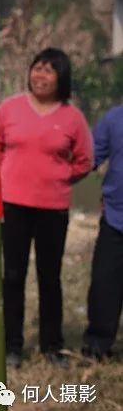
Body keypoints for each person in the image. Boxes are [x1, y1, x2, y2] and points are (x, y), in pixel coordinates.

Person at [0, 48, 93, 368]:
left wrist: (59, 177)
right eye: (37, 68)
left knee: (49, 276)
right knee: (12, 276)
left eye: (49, 70)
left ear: (61, 78)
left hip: (53, 208)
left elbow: (84, 161)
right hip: (13, 205)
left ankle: (52, 346)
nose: (40, 75)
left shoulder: (73, 118)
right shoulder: (9, 109)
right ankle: (12, 346)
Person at [83, 103, 123, 360]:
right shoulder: (114, 118)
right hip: (116, 216)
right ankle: (98, 344)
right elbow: (89, 157)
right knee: (105, 284)